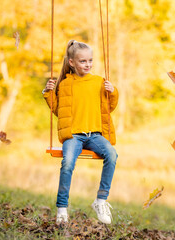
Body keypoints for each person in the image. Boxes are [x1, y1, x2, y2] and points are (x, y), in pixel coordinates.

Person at [42, 40, 119, 225]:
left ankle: (100, 201)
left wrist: (113, 91)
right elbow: (59, 110)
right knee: (67, 162)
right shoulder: (66, 84)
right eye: (83, 61)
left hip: (94, 135)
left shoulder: (99, 81)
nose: (88, 64)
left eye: (90, 60)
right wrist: (48, 92)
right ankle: (62, 208)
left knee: (112, 154)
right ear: (72, 63)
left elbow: (109, 107)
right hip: (73, 136)